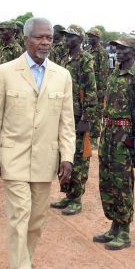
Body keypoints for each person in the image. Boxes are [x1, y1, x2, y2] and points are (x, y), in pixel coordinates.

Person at [0, 17, 75, 269]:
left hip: (45, 160)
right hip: (14, 158)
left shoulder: (62, 76)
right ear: (26, 40)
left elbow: (66, 122)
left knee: (36, 221)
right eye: (39, 37)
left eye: (49, 38)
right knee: (19, 217)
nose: (45, 42)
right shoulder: (4, 72)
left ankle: (22, 265)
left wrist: (67, 157)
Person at [93, 34, 135, 250]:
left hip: (124, 138)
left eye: (123, 49)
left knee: (122, 184)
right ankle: (114, 225)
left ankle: (124, 230)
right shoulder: (115, 73)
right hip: (108, 133)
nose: (118, 52)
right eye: (116, 48)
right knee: (107, 181)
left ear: (134, 51)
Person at [50, 25, 98, 215]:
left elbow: (91, 91)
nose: (66, 39)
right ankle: (67, 194)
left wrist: (86, 119)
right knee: (65, 155)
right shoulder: (64, 58)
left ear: (80, 39)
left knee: (79, 158)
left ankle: (76, 198)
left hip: (78, 117)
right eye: (66, 36)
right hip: (63, 113)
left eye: (71, 36)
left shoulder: (85, 59)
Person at [86, 27, 109, 145]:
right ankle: (88, 134)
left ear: (98, 38)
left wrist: (100, 91)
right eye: (88, 36)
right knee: (89, 111)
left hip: (98, 88)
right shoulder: (88, 50)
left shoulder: (102, 52)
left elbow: (103, 73)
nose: (89, 38)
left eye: (92, 37)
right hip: (88, 86)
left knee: (97, 112)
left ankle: (94, 138)